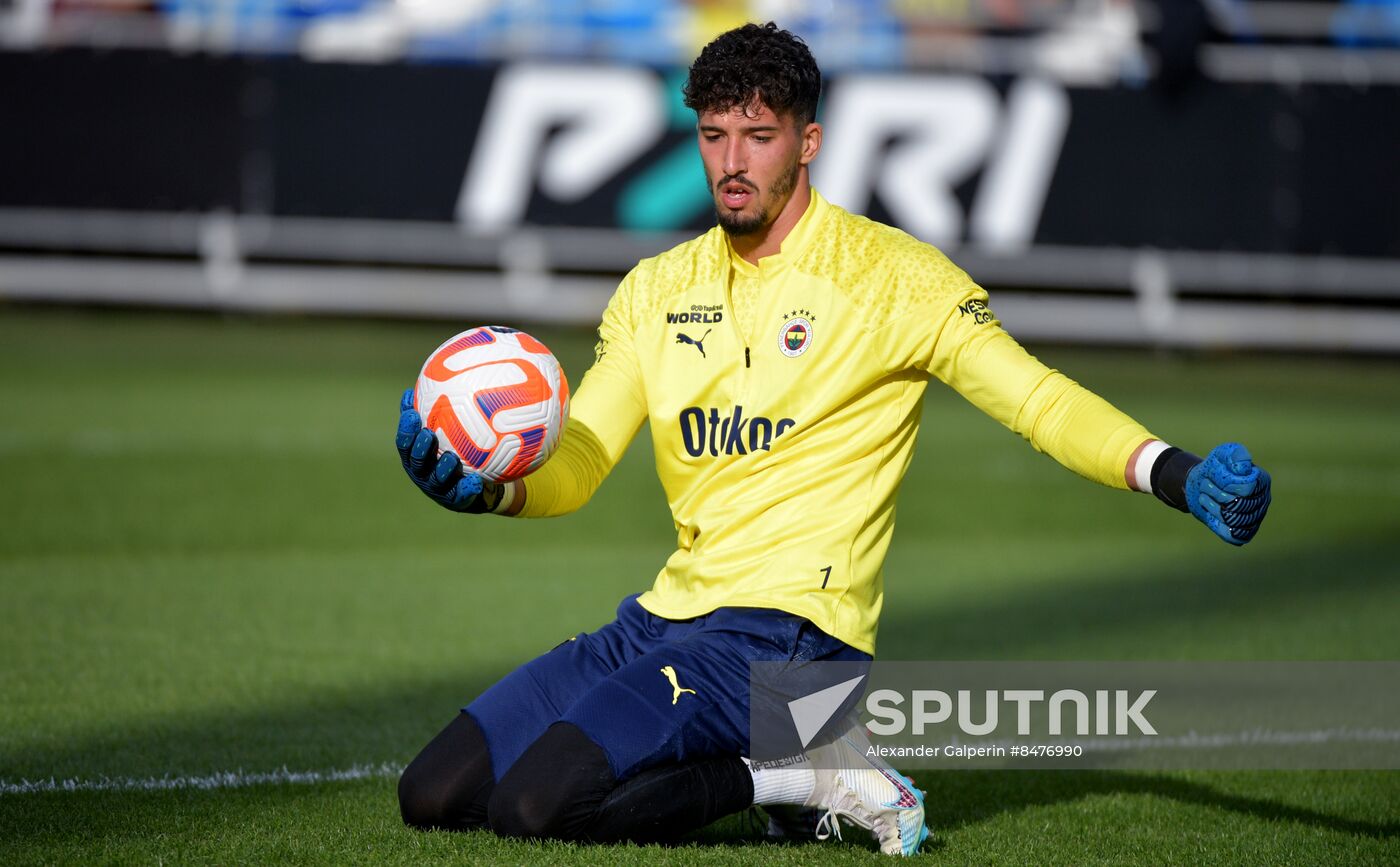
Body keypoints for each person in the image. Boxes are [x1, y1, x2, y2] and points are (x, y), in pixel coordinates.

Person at [392, 22, 1271, 857]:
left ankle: (798, 764)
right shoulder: (656, 287)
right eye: (713, 135)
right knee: (431, 793)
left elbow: (1037, 401)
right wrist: (492, 489)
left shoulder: (897, 278)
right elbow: (579, 462)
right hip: (662, 622)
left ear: (808, 143)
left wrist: (1173, 471)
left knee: (538, 806)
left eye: (758, 136)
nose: (732, 163)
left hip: (794, 644)